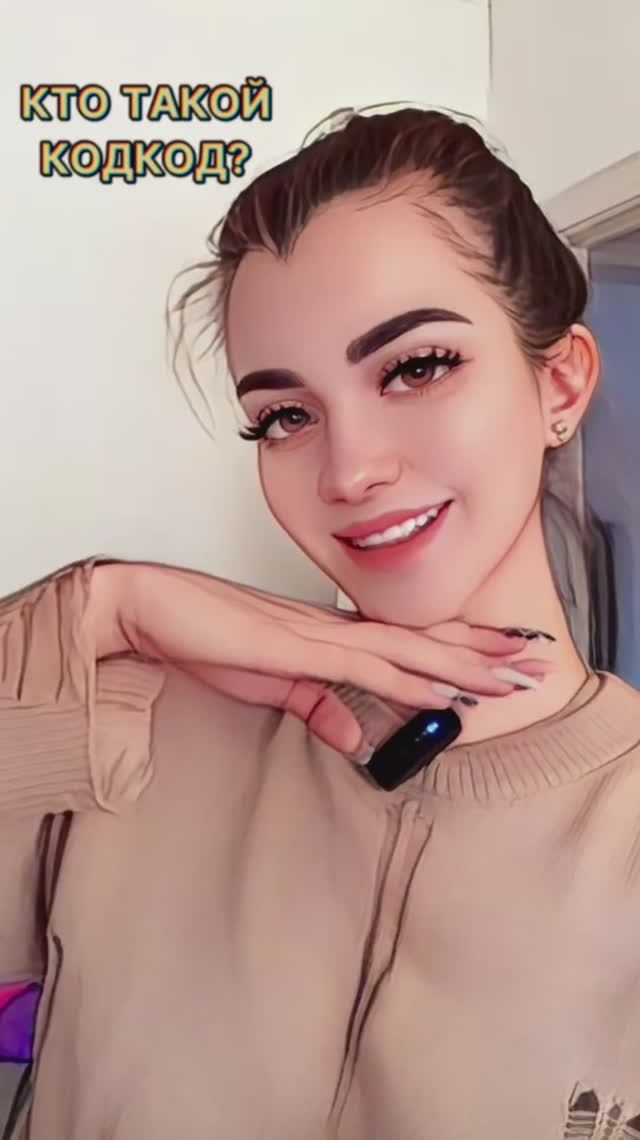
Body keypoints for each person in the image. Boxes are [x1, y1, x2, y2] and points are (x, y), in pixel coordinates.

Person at [1, 105, 639, 1140]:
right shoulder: (126, 721)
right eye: (285, 416)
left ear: (558, 383)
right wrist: (99, 606)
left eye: (417, 367)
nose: (349, 471)